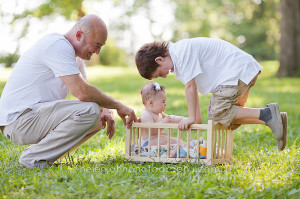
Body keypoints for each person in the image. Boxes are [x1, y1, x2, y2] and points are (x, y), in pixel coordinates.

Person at [0, 14, 137, 169]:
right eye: (97, 45)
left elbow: (87, 94)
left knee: (98, 115)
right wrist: (118, 106)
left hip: (33, 116)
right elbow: (82, 92)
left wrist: (105, 109)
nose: (98, 52)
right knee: (92, 110)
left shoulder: (75, 57)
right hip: (18, 121)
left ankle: (47, 157)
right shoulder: (57, 45)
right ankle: (33, 158)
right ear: (79, 35)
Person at [135, 37, 288, 151]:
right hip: (238, 72)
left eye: (159, 73)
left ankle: (268, 114)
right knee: (223, 119)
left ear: (159, 59)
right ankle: (272, 119)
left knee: (218, 112)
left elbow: (190, 87)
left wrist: (191, 118)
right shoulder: (178, 58)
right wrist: (197, 120)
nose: (163, 76)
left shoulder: (180, 53)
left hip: (236, 71)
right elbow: (191, 89)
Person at [140, 82, 187, 147]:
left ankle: (182, 145)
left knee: (172, 140)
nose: (165, 104)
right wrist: (163, 122)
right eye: (163, 102)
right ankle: (182, 146)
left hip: (158, 141)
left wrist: (184, 119)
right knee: (166, 140)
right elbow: (152, 131)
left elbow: (171, 118)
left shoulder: (159, 113)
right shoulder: (146, 115)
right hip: (148, 143)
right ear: (151, 102)